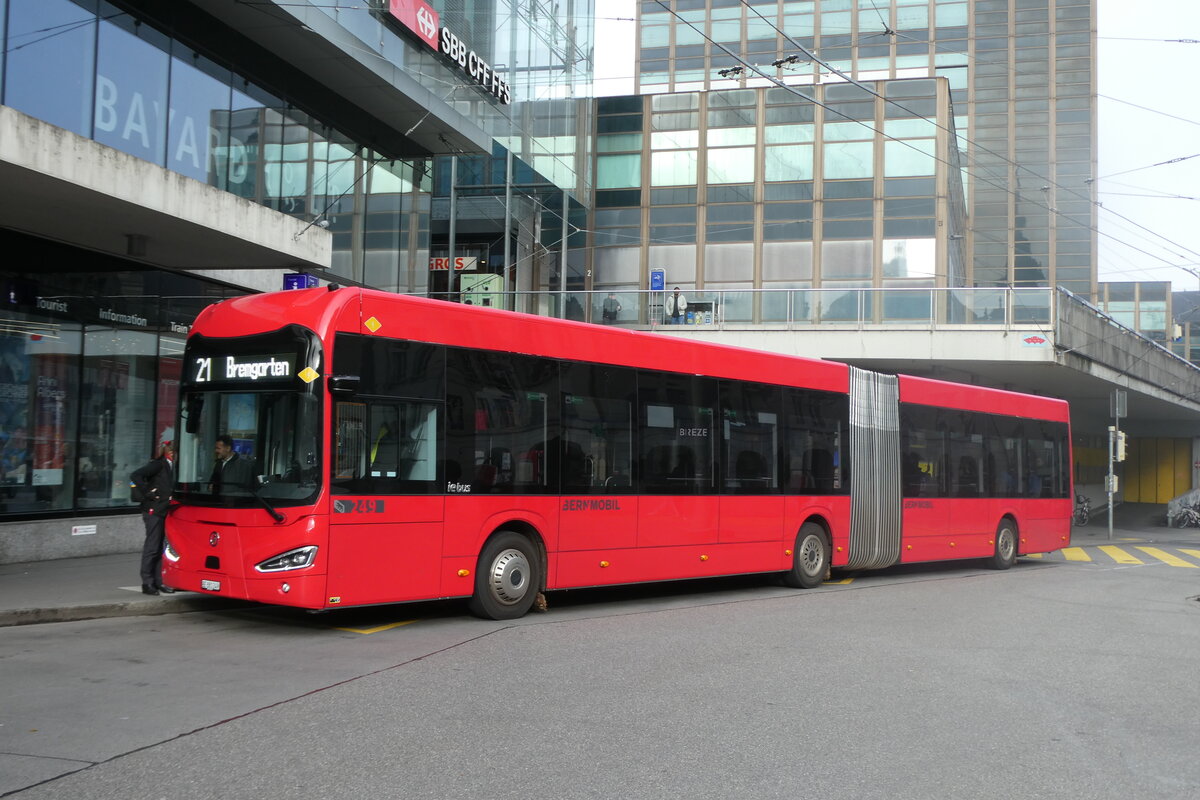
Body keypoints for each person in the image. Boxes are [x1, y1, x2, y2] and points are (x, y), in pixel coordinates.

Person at [131, 442, 175, 595]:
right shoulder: (158, 465)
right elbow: (135, 475)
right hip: (153, 510)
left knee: (161, 547)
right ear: (168, 451)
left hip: (164, 510)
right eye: (172, 450)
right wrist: (147, 492)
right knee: (152, 546)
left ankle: (159, 581)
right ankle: (147, 582)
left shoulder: (172, 466)